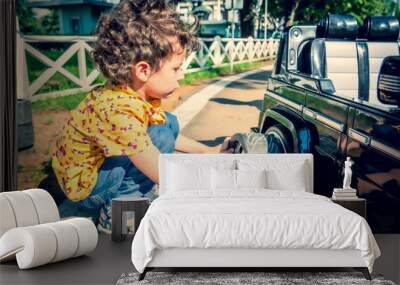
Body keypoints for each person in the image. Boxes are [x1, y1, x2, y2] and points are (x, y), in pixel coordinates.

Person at [50, 0, 231, 233]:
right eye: (176, 68)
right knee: (160, 139)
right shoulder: (118, 111)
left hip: (92, 171)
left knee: (166, 125)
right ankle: (120, 213)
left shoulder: (128, 94)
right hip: (86, 188)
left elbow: (165, 136)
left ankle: (127, 196)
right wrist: (212, 189)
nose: (182, 75)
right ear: (144, 70)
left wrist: (208, 152)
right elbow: (160, 173)